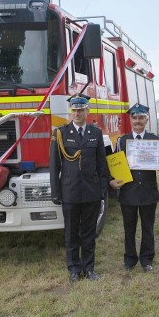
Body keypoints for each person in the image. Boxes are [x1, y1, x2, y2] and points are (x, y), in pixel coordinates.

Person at [50, 93, 109, 283]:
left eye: (80, 110)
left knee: (89, 233)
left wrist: (103, 190)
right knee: (71, 233)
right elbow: (54, 166)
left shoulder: (96, 133)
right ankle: (74, 269)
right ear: (71, 111)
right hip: (70, 191)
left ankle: (89, 268)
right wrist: (56, 192)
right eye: (74, 110)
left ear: (87, 111)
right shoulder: (61, 133)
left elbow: (102, 164)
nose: (77, 113)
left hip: (91, 191)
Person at [109, 103, 159, 273]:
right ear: (130, 119)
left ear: (146, 119)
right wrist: (113, 180)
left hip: (148, 191)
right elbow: (116, 164)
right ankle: (129, 259)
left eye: (141, 118)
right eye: (134, 118)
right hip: (128, 191)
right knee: (129, 228)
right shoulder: (122, 140)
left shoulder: (155, 140)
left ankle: (147, 259)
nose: (138, 121)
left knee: (148, 228)